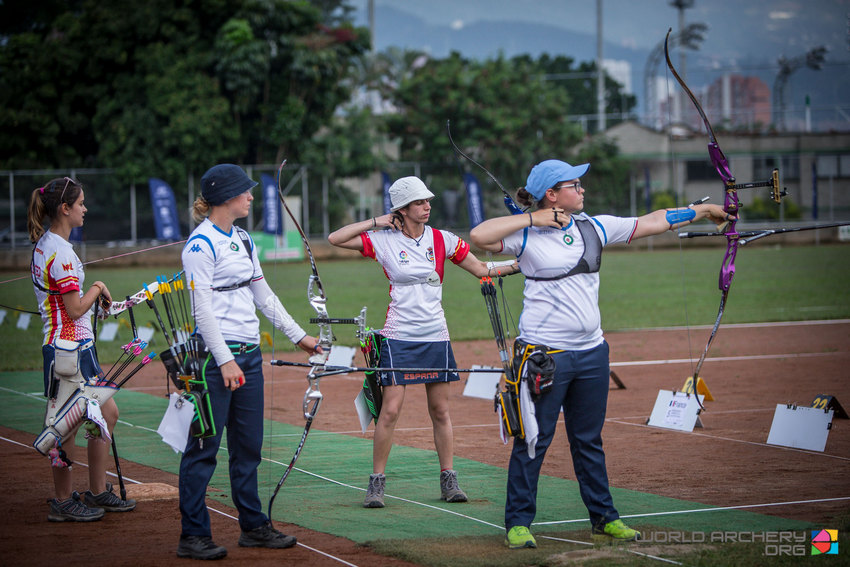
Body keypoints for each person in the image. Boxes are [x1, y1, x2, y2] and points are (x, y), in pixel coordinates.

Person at [469, 159, 733, 549]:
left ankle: (605, 518)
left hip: (592, 353)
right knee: (533, 440)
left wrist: (705, 210)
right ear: (551, 194)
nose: (582, 190)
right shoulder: (525, 236)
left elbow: (654, 221)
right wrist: (535, 220)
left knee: (588, 440)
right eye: (574, 185)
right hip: (544, 356)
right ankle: (519, 522)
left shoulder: (595, 226)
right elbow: (479, 235)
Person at [328, 176, 518, 509]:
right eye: (419, 202)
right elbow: (335, 238)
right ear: (401, 209)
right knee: (389, 411)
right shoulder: (383, 240)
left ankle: (449, 479)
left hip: (436, 335)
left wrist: (522, 263)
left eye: (428, 200)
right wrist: (377, 221)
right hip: (399, 336)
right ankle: (376, 484)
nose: (427, 206)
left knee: (441, 411)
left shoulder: (443, 239)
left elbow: (483, 269)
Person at [178, 164, 321, 560]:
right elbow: (202, 312)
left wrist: (300, 337)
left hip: (249, 357)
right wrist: (224, 361)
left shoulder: (242, 238)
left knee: (249, 447)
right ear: (226, 197)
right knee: (204, 447)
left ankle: (254, 526)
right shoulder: (199, 245)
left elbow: (264, 295)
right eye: (246, 192)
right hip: (213, 361)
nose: (252, 197)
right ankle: (192, 535)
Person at [28, 176, 137, 522]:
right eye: (80, 204)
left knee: (106, 415)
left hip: (77, 347)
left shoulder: (54, 245)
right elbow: (75, 309)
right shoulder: (59, 253)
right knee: (66, 426)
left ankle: (97, 491)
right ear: (65, 209)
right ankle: (62, 500)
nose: (85, 209)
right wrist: (98, 287)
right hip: (66, 352)